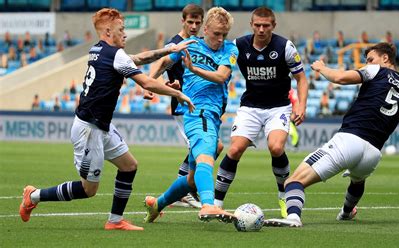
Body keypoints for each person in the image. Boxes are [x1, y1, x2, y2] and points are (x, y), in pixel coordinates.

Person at [19, 7, 195, 231]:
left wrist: (170, 49)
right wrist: (178, 94)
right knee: (88, 190)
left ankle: (115, 221)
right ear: (108, 31)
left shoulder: (99, 50)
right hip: (89, 130)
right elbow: (147, 83)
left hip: (100, 126)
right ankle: (33, 196)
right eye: (122, 29)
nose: (125, 33)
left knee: (129, 166)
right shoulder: (115, 55)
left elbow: (139, 58)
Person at [264, 42, 399, 227]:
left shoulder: (376, 70)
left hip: (349, 140)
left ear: (385, 58)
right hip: (373, 154)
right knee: (357, 180)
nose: (367, 63)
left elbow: (341, 78)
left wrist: (321, 68)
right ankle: (346, 212)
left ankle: (293, 218)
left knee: (293, 181)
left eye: (370, 59)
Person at [143, 7, 238, 223]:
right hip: (197, 111)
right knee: (206, 155)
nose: (220, 39)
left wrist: (194, 70)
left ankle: (157, 204)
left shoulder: (230, 50)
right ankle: (208, 205)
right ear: (205, 29)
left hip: (213, 115)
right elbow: (164, 60)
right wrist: (148, 82)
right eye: (215, 34)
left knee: (193, 178)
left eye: (224, 34)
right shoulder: (190, 46)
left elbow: (221, 76)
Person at [213, 7, 308, 218]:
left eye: (266, 25)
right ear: (251, 25)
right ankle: (217, 203)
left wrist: (301, 105)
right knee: (235, 149)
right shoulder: (239, 45)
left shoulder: (286, 47)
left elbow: (301, 78)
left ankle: (284, 196)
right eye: (257, 25)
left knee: (275, 147)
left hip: (278, 107)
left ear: (273, 26)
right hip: (250, 107)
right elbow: (221, 66)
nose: (261, 29)